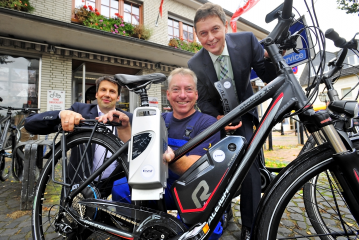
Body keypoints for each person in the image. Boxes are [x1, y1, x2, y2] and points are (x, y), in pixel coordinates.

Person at [188, 3, 278, 240]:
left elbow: (268, 74)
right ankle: (223, 212)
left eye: (215, 29)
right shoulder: (195, 64)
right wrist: (217, 119)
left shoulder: (247, 41)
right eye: (203, 33)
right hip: (218, 119)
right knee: (220, 169)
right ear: (197, 35)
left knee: (249, 170)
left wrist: (271, 57)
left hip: (245, 114)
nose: (210, 38)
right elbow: (204, 100)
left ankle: (250, 225)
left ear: (226, 26)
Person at [112, 68, 223, 238]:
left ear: (196, 94)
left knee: (199, 233)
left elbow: (197, 167)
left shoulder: (207, 123)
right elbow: (136, 149)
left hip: (193, 188)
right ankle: (142, 229)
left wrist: (169, 156)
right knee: (120, 188)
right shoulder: (160, 119)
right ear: (168, 94)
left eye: (188, 89)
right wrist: (124, 127)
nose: (182, 95)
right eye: (176, 89)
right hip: (161, 183)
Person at [24, 76, 132, 196]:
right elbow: (30, 124)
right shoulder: (80, 110)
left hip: (115, 187)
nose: (107, 94)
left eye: (112, 91)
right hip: (80, 186)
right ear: (96, 94)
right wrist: (61, 114)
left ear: (118, 97)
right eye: (103, 90)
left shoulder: (127, 119)